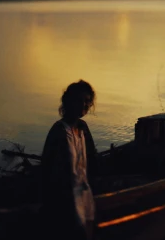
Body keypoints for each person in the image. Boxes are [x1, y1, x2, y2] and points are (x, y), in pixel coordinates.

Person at [40, 80, 98, 239]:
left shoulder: (83, 128)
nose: (84, 105)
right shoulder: (59, 131)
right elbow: (46, 168)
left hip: (84, 197)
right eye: (79, 100)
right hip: (64, 202)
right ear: (68, 102)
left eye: (87, 101)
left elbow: (91, 162)